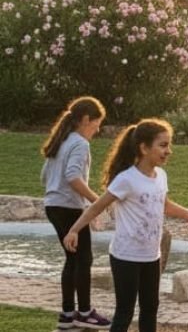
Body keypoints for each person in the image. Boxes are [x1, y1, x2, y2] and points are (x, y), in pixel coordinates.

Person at [63, 119, 188, 332]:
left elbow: (164, 204)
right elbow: (97, 206)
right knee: (125, 312)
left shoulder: (161, 176)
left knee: (150, 309)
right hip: (125, 257)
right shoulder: (126, 179)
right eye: (163, 145)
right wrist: (74, 230)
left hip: (151, 256)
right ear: (144, 148)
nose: (168, 151)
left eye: (169, 145)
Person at [41, 96, 112, 330]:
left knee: (72, 259)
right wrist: (97, 202)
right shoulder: (80, 143)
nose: (97, 129)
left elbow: (44, 176)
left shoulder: (61, 141)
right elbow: (73, 176)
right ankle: (84, 312)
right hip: (69, 207)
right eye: (96, 123)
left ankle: (67, 314)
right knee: (83, 259)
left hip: (52, 205)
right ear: (85, 119)